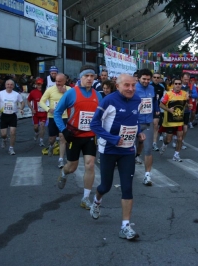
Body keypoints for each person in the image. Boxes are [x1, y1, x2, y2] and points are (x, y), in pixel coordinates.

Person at [89, 74, 145, 240]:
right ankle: (97, 201)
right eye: (126, 85)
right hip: (109, 149)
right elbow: (94, 124)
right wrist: (112, 138)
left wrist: (139, 132)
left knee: (127, 187)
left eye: (133, 85)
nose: (130, 89)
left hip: (127, 150)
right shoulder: (108, 100)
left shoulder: (137, 100)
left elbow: (135, 120)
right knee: (105, 186)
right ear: (118, 85)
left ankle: (125, 226)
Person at [54, 65, 102, 210]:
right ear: (80, 77)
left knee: (90, 164)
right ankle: (64, 172)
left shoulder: (97, 95)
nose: (89, 78)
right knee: (72, 167)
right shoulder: (71, 93)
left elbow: (102, 115)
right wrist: (63, 130)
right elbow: (57, 113)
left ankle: (85, 198)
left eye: (92, 76)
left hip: (90, 136)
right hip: (74, 136)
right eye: (86, 76)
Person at [39, 73, 71, 168]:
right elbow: (41, 102)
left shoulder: (69, 90)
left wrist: (65, 93)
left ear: (65, 81)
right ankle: (51, 146)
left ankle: (61, 159)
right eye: (56, 81)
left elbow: (75, 100)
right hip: (53, 117)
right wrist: (48, 109)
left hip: (64, 117)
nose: (57, 83)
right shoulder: (50, 90)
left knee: (62, 137)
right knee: (51, 139)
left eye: (60, 82)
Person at [134, 69, 159, 186]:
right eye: (144, 79)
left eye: (148, 79)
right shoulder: (133, 88)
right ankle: (128, 172)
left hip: (148, 123)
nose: (146, 81)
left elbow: (154, 102)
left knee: (148, 149)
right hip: (134, 124)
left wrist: (156, 111)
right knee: (130, 150)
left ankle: (147, 175)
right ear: (138, 78)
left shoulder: (151, 88)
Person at [159, 77, 189, 161]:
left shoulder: (184, 93)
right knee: (169, 139)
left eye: (179, 84)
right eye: (176, 84)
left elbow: (185, 104)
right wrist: (169, 110)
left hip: (179, 120)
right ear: (173, 85)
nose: (178, 85)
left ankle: (176, 154)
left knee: (180, 138)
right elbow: (161, 105)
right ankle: (164, 144)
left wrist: (188, 105)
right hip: (170, 121)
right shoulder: (168, 94)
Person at [0, 79, 25, 155]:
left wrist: (21, 108)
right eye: (8, 84)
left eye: (11, 85)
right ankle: (4, 139)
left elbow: (22, 102)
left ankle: (11, 148)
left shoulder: (16, 94)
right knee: (3, 134)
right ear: (5, 85)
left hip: (12, 115)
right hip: (4, 115)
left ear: (13, 86)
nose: (9, 86)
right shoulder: (0, 93)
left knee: (12, 132)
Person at [27, 78, 47, 147]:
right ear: (36, 84)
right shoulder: (33, 92)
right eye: (38, 84)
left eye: (41, 84)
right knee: (36, 127)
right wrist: (32, 109)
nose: (40, 86)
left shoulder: (46, 92)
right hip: (35, 113)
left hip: (43, 112)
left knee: (42, 126)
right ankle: (36, 132)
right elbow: (28, 101)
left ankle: (41, 140)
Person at [150, 72, 165, 151]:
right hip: (147, 109)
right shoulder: (149, 86)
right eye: (154, 77)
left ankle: (154, 143)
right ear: (152, 78)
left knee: (156, 125)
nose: (156, 79)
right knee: (148, 126)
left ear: (160, 79)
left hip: (156, 108)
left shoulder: (161, 87)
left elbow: (160, 99)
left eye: (158, 77)